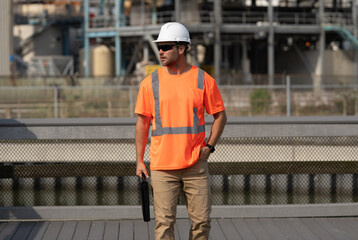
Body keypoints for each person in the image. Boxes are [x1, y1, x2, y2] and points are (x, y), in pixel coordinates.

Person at [135, 22, 227, 240]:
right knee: (164, 225)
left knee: (202, 223)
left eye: (166, 47)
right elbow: (142, 124)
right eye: (159, 47)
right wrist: (139, 160)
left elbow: (220, 116)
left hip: (195, 164)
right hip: (162, 167)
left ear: (182, 48)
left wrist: (209, 147)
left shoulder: (203, 79)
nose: (160, 51)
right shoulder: (150, 83)